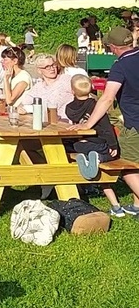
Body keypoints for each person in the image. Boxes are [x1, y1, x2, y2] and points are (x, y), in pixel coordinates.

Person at [76, 26, 139, 215]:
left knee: (127, 166)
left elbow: (107, 98)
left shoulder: (120, 66)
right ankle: (137, 206)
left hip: (135, 122)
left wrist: (88, 124)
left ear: (113, 47)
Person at [64, 75, 124, 216]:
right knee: (110, 155)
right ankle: (116, 207)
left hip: (81, 144)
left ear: (72, 91)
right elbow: (106, 127)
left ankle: (89, 164)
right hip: (98, 143)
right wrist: (113, 145)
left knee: (70, 149)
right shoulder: (96, 106)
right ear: (91, 87)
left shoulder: (70, 108)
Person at [17, 54, 74, 121]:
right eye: (47, 67)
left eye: (53, 65)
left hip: (67, 123)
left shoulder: (66, 80)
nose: (52, 69)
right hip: (47, 124)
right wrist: (22, 108)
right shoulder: (38, 87)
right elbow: (23, 103)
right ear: (39, 70)